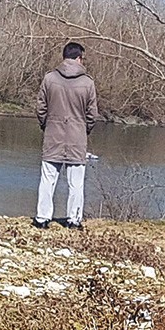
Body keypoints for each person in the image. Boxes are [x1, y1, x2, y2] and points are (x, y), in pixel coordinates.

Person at [35, 42, 99, 230]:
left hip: (53, 135)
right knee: (76, 183)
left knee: (47, 179)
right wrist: (84, 130)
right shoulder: (88, 82)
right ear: (79, 58)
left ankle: (42, 218)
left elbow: (40, 108)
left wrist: (46, 125)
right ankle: (74, 220)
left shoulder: (49, 78)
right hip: (77, 138)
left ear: (64, 56)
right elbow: (92, 114)